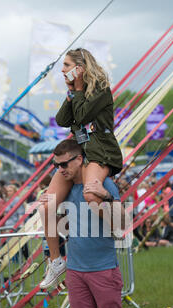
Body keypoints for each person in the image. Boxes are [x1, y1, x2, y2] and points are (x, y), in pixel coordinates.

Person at [39, 138, 149, 308]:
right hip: (76, 270)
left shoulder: (100, 185)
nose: (60, 169)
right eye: (56, 165)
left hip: (103, 268)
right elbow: (52, 216)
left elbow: (121, 226)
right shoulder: (64, 189)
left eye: (65, 164)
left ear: (80, 160)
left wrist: (104, 200)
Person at [39, 48, 123, 289]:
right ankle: (56, 261)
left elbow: (84, 115)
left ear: (80, 68)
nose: (63, 70)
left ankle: (117, 227)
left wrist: (75, 91)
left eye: (66, 65)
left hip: (100, 153)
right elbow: (62, 120)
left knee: (91, 195)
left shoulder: (100, 91)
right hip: (79, 153)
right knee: (46, 206)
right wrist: (71, 93)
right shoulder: (75, 94)